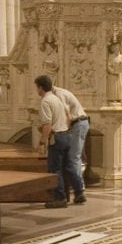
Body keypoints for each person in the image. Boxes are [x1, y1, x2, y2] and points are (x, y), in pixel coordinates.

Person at [34, 75, 81, 208]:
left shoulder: (46, 101)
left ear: (40, 87)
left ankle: (60, 199)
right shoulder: (57, 98)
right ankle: (78, 193)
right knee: (68, 167)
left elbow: (47, 125)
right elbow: (68, 117)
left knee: (55, 169)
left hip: (57, 137)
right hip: (67, 135)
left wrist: (42, 142)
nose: (36, 90)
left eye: (36, 87)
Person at [52, 84, 89, 204]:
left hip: (78, 123)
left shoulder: (59, 94)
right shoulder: (58, 92)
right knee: (72, 159)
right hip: (77, 124)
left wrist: (63, 131)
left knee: (73, 159)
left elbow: (67, 115)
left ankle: (79, 191)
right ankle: (78, 191)